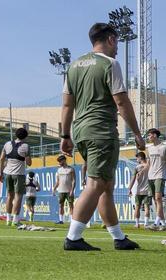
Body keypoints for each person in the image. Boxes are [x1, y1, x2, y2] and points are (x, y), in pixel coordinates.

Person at [60, 21, 146, 251]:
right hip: (100, 130)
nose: (117, 47)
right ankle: (73, 237)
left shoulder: (74, 66)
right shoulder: (110, 64)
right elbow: (121, 101)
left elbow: (67, 105)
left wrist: (65, 135)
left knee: (106, 184)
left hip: (80, 130)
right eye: (116, 41)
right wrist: (137, 134)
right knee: (97, 183)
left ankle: (118, 237)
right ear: (110, 39)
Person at [0, 127, 32, 225]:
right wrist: (26, 156)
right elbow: (29, 163)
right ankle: (15, 219)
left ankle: (8, 219)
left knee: (9, 196)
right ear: (25, 137)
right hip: (19, 174)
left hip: (7, 173)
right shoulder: (26, 146)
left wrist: (1, 172)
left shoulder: (7, 144)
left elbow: (1, 159)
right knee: (18, 196)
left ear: (15, 135)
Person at [145, 128, 166, 228]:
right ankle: (163, 224)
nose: (148, 137)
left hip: (160, 175)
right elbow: (148, 164)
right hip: (150, 176)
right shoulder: (149, 148)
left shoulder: (164, 147)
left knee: (158, 198)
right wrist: (141, 172)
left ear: (154, 135)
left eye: (149, 135)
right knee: (155, 200)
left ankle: (156, 223)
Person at [130, 151, 151, 228]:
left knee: (137, 206)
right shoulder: (149, 166)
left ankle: (137, 223)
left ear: (140, 157)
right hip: (147, 190)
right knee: (146, 207)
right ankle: (146, 224)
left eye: (137, 158)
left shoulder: (137, 167)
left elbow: (133, 179)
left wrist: (129, 188)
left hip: (138, 190)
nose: (136, 160)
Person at [54, 155, 76, 224]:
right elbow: (58, 181)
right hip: (61, 190)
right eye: (59, 162)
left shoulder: (71, 169)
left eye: (60, 161)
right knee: (61, 205)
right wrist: (54, 189)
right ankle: (61, 220)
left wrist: (72, 190)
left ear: (64, 160)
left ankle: (72, 220)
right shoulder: (59, 170)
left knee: (71, 205)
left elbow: (73, 180)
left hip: (69, 190)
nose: (59, 163)